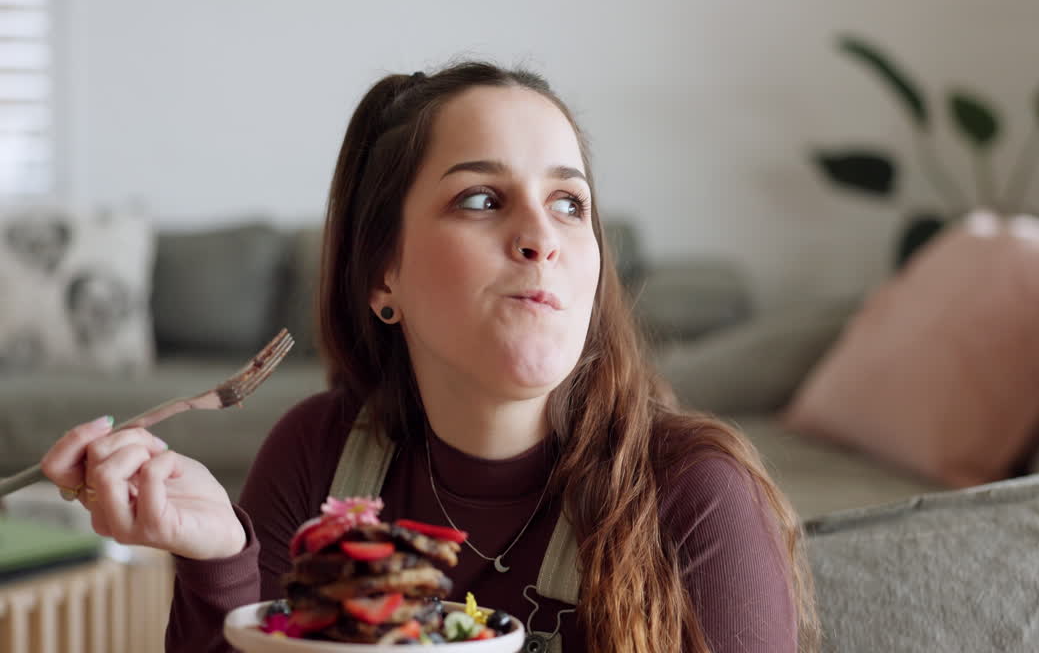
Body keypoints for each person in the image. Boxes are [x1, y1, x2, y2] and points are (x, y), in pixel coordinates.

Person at [40, 61, 818, 652]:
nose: (541, 236)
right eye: (481, 199)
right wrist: (220, 564)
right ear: (385, 275)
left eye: (569, 203)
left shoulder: (695, 498)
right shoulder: (317, 454)